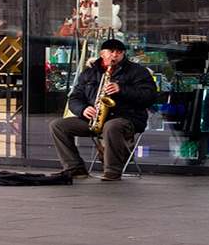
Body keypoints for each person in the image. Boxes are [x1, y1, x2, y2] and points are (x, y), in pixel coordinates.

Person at [49, 39, 157, 181]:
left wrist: (122, 89)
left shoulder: (138, 72)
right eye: (111, 52)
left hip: (127, 118)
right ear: (102, 53)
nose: (115, 55)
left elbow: (150, 97)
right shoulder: (89, 73)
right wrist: (83, 109)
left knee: (111, 126)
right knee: (57, 126)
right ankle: (74, 168)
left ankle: (113, 171)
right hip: (95, 118)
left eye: (119, 52)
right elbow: (74, 98)